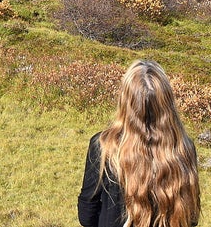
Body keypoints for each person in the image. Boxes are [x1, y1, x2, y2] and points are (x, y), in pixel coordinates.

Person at [78, 60, 200, 227]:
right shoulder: (183, 148)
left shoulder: (104, 146)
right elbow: (191, 216)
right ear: (168, 103)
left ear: (125, 100)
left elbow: (87, 213)